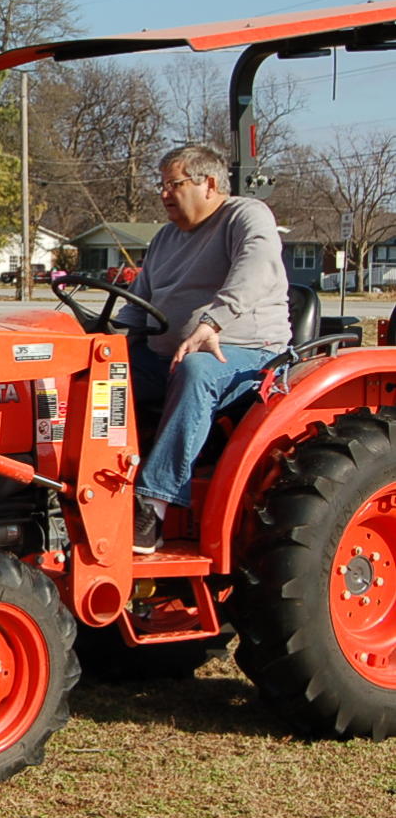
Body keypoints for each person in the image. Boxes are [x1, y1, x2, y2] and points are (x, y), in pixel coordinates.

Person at [117, 144, 291, 554]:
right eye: (160, 185)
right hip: (164, 356)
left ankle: (152, 508)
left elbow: (256, 270)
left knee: (196, 370)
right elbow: (137, 302)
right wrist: (99, 339)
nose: (163, 195)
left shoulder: (245, 216)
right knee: (93, 376)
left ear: (208, 183)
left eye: (172, 184)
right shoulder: (165, 237)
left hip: (246, 354)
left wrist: (213, 322)